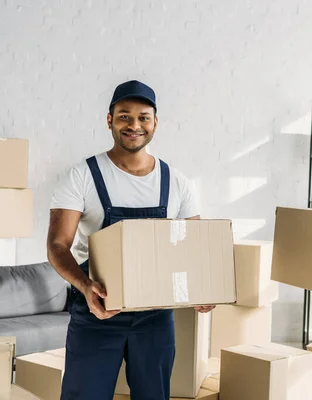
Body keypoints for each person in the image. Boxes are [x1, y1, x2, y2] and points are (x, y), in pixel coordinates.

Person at [47, 80, 214, 400]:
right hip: (96, 311)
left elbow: (196, 247)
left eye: (143, 117)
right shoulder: (82, 176)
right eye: (124, 116)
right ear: (109, 120)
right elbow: (57, 245)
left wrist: (201, 288)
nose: (134, 125)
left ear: (155, 122)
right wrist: (85, 287)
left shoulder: (176, 182)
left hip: (155, 316)